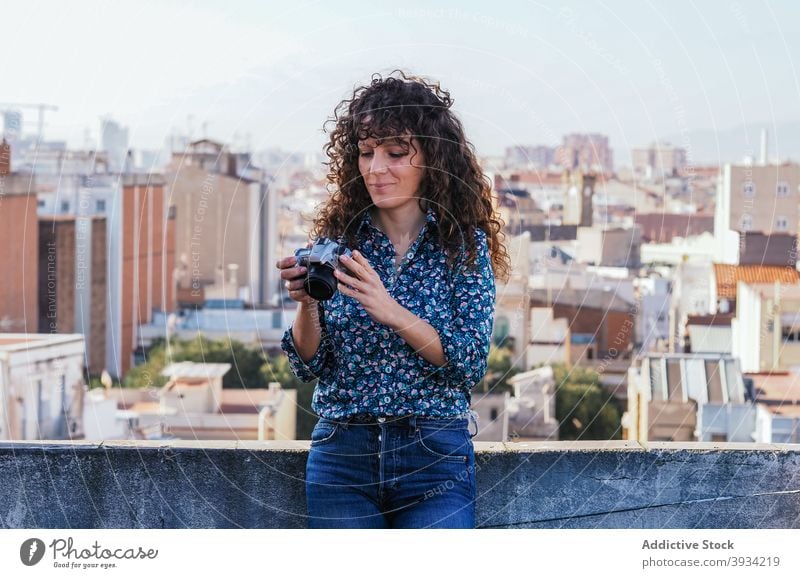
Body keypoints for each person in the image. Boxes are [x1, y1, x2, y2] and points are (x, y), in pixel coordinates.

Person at [276, 70, 511, 529]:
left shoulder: (462, 245)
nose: (375, 168)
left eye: (395, 153)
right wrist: (306, 304)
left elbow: (468, 360)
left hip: (434, 457)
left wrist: (390, 311)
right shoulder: (337, 243)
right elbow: (309, 365)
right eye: (366, 153)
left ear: (432, 159)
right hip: (342, 455)